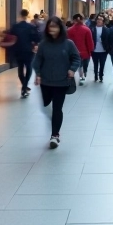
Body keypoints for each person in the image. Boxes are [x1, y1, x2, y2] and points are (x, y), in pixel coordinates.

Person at [34, 17, 81, 148]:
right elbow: (37, 61)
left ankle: (55, 135)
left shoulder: (68, 43)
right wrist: (37, 74)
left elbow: (76, 58)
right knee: (46, 104)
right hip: (46, 81)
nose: (52, 29)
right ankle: (54, 124)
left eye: (55, 26)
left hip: (62, 81)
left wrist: (72, 69)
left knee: (57, 108)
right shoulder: (43, 44)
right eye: (50, 27)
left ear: (60, 28)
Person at [7, 9, 41, 98]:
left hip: (17, 50)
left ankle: (24, 86)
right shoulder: (31, 27)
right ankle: (24, 87)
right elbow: (37, 38)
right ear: (27, 15)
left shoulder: (15, 26)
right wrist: (35, 45)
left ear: (20, 15)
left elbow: (10, 36)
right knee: (29, 67)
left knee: (20, 67)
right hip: (28, 50)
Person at [67, 14, 95, 83]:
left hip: (74, 52)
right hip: (85, 52)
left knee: (80, 65)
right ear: (82, 20)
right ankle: (84, 72)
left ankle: (81, 76)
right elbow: (89, 42)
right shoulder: (87, 29)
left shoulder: (69, 30)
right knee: (85, 64)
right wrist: (91, 49)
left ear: (73, 20)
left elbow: (67, 41)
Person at [91, 15, 108, 82]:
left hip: (103, 50)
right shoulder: (92, 29)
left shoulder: (106, 29)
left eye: (101, 19)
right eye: (98, 19)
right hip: (94, 49)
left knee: (102, 64)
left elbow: (108, 39)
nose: (99, 20)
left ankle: (101, 75)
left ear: (103, 22)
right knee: (95, 63)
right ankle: (95, 75)